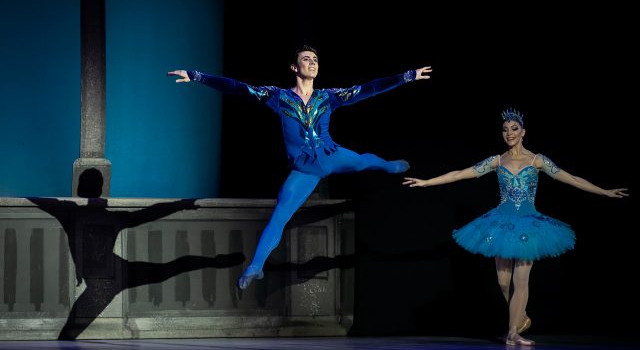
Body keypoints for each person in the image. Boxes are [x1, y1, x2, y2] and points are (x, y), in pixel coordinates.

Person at [168, 45, 432, 289]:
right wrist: (197, 76)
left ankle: (388, 166)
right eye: (306, 59)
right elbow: (238, 87)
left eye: (315, 59)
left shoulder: (328, 97)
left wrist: (407, 76)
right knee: (280, 214)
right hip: (305, 170)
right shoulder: (278, 97)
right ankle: (255, 267)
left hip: (332, 155)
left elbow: (368, 89)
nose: (312, 62)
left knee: (363, 161)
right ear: (294, 67)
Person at [403, 108, 628, 346]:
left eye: (514, 128)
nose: (509, 133)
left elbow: (571, 178)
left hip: (529, 225)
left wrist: (604, 191)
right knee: (503, 283)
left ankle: (512, 332)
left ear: (523, 132)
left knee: (521, 281)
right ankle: (520, 318)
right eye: (505, 129)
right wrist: (427, 182)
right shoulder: (497, 161)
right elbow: (460, 173)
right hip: (500, 224)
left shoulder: (537, 160)